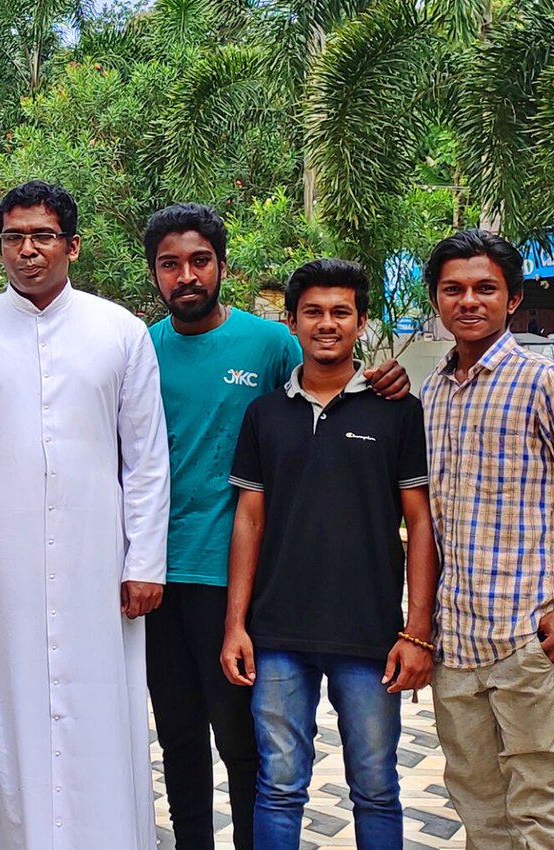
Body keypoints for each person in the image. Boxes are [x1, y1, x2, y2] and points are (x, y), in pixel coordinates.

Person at [142, 204, 410, 850]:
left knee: (247, 747)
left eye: (199, 261)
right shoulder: (140, 348)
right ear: (154, 274)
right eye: (170, 264)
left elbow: (323, 385)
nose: (186, 276)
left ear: (222, 267)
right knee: (177, 736)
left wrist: (385, 379)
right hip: (153, 575)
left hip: (238, 582)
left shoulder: (268, 345)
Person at [0, 181, 170, 849]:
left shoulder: (121, 332)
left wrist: (145, 561)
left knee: (96, 716)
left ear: (72, 245)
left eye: (43, 236)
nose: (27, 251)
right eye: (13, 237)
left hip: (96, 566)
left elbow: (145, 460)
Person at [219, 259, 437, 850]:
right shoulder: (265, 414)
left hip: (369, 638)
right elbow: (250, 520)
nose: (326, 324)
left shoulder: (397, 411)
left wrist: (416, 630)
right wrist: (236, 625)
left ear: (361, 321)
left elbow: (419, 522)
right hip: (278, 633)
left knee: (375, 786)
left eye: (341, 312)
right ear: (291, 321)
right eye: (312, 312)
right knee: (280, 786)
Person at [418, 230, 554, 849]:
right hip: (456, 642)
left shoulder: (540, 382)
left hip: (529, 638)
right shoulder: (431, 393)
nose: (468, 301)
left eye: (484, 288)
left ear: (513, 298)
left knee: (541, 804)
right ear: (437, 300)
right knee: (477, 804)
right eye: (453, 289)